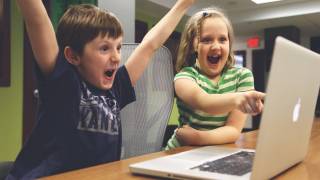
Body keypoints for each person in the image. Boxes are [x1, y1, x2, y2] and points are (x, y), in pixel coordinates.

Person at [7, 0, 195, 179]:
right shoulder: (63, 82)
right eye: (104, 49)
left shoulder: (116, 88)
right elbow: (36, 20)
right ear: (72, 56)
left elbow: (149, 45)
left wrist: (182, 5)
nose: (116, 58)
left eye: (118, 48)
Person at [165, 7, 265, 150]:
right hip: (179, 152)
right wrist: (239, 99)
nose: (216, 46)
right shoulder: (184, 77)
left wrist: (198, 138)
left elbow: (233, 130)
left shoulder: (243, 76)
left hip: (215, 151)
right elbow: (204, 102)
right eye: (206, 40)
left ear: (229, 43)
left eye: (223, 39)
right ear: (194, 45)